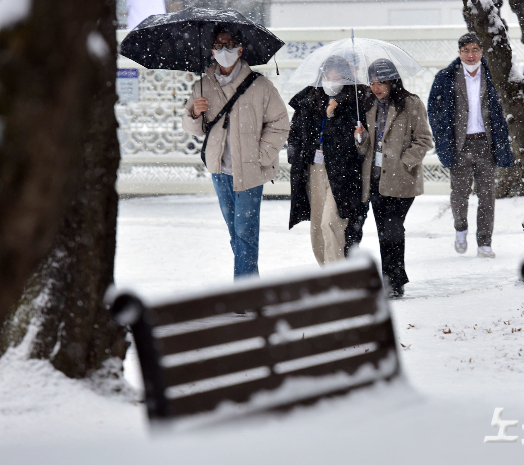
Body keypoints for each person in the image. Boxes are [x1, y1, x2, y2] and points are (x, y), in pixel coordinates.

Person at [182, 25, 290, 278]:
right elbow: (194, 129)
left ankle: (245, 290)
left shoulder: (260, 86)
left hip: (250, 170)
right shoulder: (202, 85)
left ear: (240, 49)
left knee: (245, 231)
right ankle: (249, 282)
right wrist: (194, 112)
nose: (224, 50)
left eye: (229, 45)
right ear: (211, 51)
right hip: (220, 170)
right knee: (235, 230)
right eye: (218, 45)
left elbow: (280, 123)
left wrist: (261, 156)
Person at [427, 33, 514, 258]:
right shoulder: (446, 77)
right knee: (459, 194)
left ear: (482, 51)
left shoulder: (493, 76)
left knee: (487, 195)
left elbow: (506, 107)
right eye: (466, 50)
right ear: (459, 53)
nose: (470, 55)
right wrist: (443, 138)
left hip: (486, 144)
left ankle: (485, 242)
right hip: (460, 145)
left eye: (475, 49)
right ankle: (460, 229)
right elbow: (434, 112)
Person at [353, 59, 433, 299]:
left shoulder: (411, 104)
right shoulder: (368, 105)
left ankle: (395, 282)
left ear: (392, 81)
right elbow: (366, 148)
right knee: (383, 231)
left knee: (393, 229)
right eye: (372, 82)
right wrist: (360, 138)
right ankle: (392, 278)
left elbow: (424, 139)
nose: (376, 87)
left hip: (401, 179)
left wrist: (404, 162)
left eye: (381, 82)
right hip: (376, 179)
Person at [287, 55, 366, 265]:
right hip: (314, 168)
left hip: (342, 171)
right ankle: (327, 273)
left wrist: (333, 116)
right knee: (317, 226)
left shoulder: (356, 101)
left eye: (338, 76)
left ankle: (337, 275)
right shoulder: (308, 99)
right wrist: (295, 155)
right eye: (328, 75)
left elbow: (356, 140)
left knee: (331, 222)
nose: (332, 80)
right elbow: (295, 133)